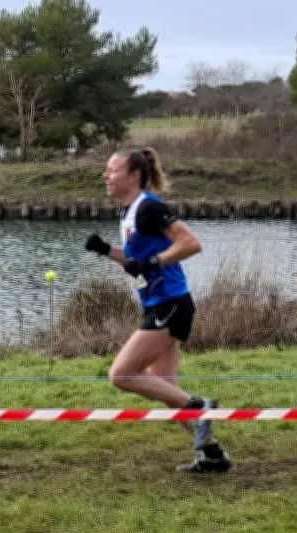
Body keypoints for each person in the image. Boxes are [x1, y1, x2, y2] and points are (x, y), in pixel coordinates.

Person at [84, 146, 231, 473]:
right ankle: (212, 454)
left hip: (170, 303)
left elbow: (190, 244)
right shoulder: (130, 211)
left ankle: (200, 406)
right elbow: (136, 262)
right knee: (166, 389)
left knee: (122, 374)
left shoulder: (149, 208)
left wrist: (154, 261)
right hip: (157, 302)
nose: (105, 176)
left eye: (112, 170)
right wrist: (106, 250)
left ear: (133, 176)